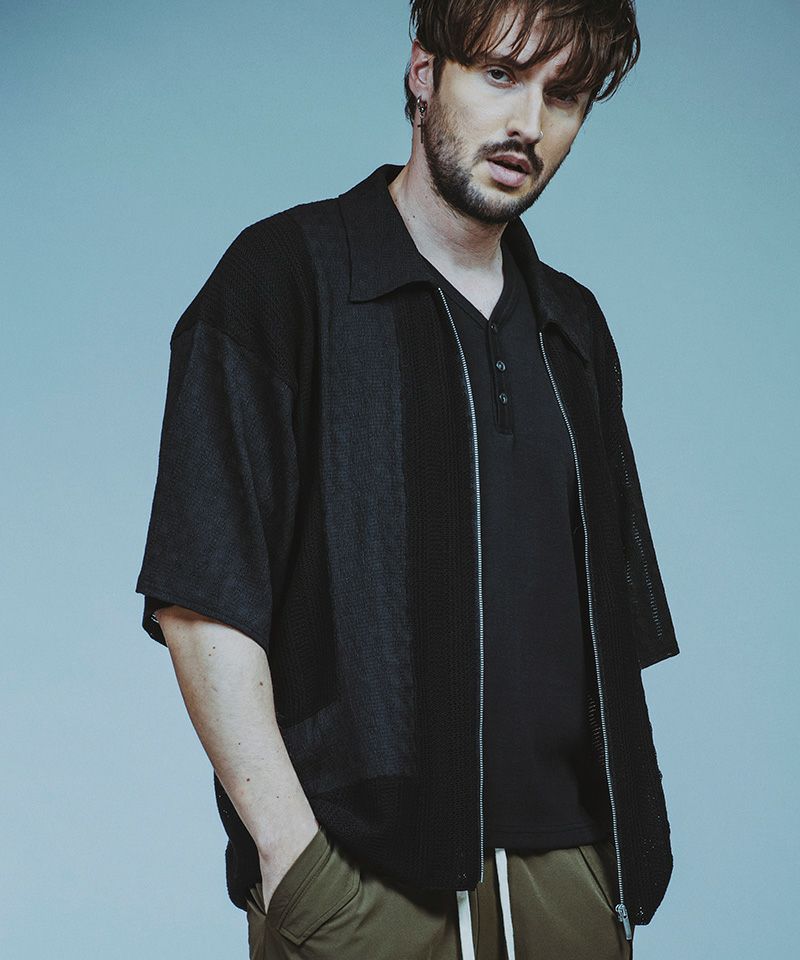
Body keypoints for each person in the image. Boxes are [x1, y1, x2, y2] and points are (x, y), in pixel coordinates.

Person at [135, 1, 679, 957]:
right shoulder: (281, 281)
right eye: (501, 75)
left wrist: (609, 871)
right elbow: (201, 597)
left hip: (574, 881)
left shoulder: (575, 329)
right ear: (425, 71)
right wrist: (295, 863)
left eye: (564, 95)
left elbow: (609, 626)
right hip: (361, 885)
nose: (528, 122)